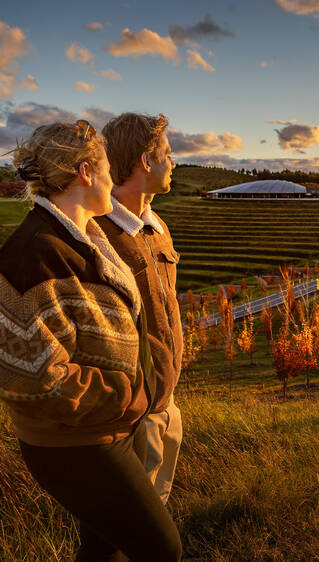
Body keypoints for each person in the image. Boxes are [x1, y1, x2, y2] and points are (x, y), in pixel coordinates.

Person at [0, 121, 182, 561]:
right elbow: (33, 379)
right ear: (85, 172)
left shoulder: (85, 237)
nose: (111, 179)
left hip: (104, 428)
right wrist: (130, 394)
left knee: (106, 549)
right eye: (105, 170)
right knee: (162, 549)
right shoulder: (34, 252)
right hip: (74, 442)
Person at [95, 113, 183, 504]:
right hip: (130, 415)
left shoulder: (157, 226)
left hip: (167, 403)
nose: (173, 161)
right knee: (125, 528)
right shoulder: (100, 234)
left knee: (157, 512)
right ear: (146, 161)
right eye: (167, 153)